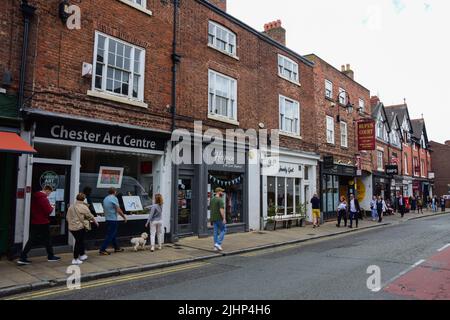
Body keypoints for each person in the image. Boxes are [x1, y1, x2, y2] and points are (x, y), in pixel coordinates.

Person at [18, 186, 61, 265]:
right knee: (47, 239)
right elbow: (48, 211)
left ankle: (23, 256)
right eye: (49, 192)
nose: (49, 194)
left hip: (35, 221)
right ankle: (50, 256)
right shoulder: (43, 198)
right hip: (43, 222)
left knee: (32, 239)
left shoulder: (36, 196)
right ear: (47, 190)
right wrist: (52, 207)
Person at [67, 193, 99, 265]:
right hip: (79, 227)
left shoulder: (71, 206)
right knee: (78, 242)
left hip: (71, 227)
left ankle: (82, 255)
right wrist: (95, 222)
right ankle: (75, 259)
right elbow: (90, 216)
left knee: (80, 241)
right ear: (84, 199)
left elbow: (67, 217)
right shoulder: (83, 207)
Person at [99, 188, 128, 255]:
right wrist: (124, 217)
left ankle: (117, 248)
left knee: (113, 234)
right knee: (110, 235)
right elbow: (118, 209)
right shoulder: (114, 198)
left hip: (107, 219)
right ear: (114, 192)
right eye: (116, 191)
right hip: (113, 219)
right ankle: (102, 249)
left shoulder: (106, 198)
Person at [210, 187, 227, 252]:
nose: (222, 193)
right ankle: (218, 243)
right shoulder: (220, 200)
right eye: (221, 191)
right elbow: (221, 210)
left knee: (215, 232)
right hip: (219, 218)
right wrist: (224, 218)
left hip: (213, 218)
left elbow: (211, 208)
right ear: (218, 192)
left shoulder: (212, 199)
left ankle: (215, 247)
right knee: (224, 229)